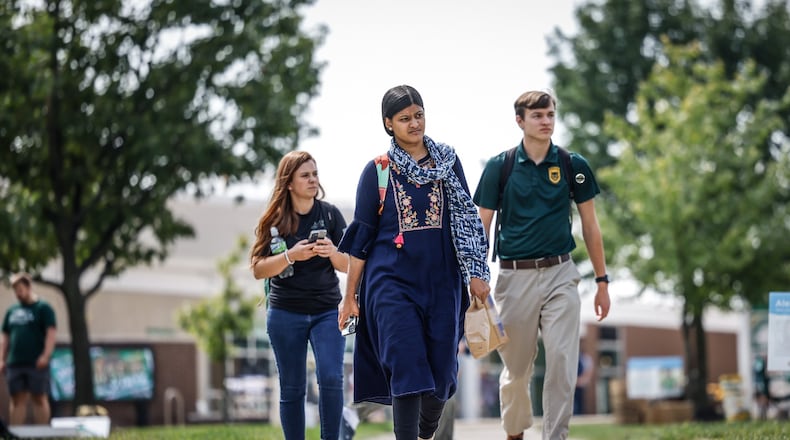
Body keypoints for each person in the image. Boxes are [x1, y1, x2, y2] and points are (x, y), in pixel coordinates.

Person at [337, 85, 491, 440]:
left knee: (442, 376)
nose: (414, 123)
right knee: (406, 365)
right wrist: (350, 296)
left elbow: (467, 219)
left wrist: (476, 273)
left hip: (442, 284)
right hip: (390, 285)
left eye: (418, 115)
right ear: (389, 124)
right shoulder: (377, 171)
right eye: (404, 118)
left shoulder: (448, 163)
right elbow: (360, 242)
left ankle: (425, 433)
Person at [473, 90, 611, 440]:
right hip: (512, 278)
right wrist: (476, 276)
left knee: (563, 362)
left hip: (561, 274)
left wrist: (602, 281)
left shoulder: (572, 165)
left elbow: (591, 227)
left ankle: (555, 436)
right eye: (537, 116)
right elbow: (481, 227)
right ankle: (515, 431)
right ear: (520, 120)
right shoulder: (499, 167)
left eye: (550, 114)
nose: (546, 121)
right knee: (516, 369)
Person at [250, 150, 349, 440]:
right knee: (292, 387)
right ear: (289, 183)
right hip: (285, 313)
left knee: (331, 378)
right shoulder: (274, 219)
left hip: (326, 311)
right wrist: (290, 256)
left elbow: (351, 265)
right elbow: (258, 269)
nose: (313, 180)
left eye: (315, 174)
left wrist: (332, 253)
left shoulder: (330, 214)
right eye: (305, 175)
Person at [1, 272, 57, 426]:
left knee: (39, 397)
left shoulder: (43, 308)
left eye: (20, 289)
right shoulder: (11, 311)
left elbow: (51, 333)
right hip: (15, 362)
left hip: (36, 362)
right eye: (15, 290)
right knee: (17, 398)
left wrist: (46, 356)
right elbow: (5, 336)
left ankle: (42, 434)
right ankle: (16, 434)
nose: (17, 294)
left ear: (28, 287)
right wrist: (1, 358)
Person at [573, 346, 594, 415]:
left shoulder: (585, 359)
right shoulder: (572, 359)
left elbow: (588, 373)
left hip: (580, 385)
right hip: (573, 385)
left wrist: (579, 381)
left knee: (580, 403)